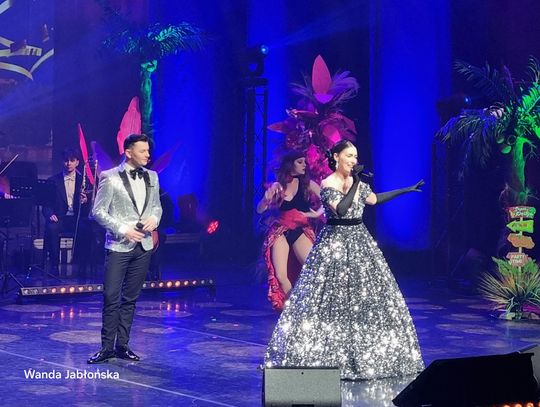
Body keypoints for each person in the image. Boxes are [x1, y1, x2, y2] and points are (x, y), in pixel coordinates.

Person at [264, 139, 425, 380]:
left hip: (359, 240)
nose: (353, 160)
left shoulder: (356, 183)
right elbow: (340, 209)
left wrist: (406, 190)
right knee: (328, 293)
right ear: (336, 157)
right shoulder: (328, 183)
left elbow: (374, 200)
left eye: (355, 156)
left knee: (364, 294)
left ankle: (362, 349)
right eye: (349, 155)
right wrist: (355, 184)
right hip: (334, 241)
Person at [88, 134, 162, 364]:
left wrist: (154, 219)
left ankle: (122, 345)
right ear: (129, 152)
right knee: (111, 297)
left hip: (143, 245)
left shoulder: (152, 176)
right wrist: (123, 229)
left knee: (130, 298)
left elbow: (157, 206)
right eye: (143, 151)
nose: (148, 155)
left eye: (148, 151)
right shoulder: (110, 177)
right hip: (119, 245)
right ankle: (106, 348)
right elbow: (98, 211)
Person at [257, 150, 323, 311]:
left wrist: (316, 213)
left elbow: (329, 200)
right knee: (281, 275)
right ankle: (293, 309)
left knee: (313, 269)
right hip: (281, 230)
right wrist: (265, 200)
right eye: (300, 162)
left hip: (301, 229)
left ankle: (311, 305)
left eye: (305, 162)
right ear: (290, 164)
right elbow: (259, 209)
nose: (304, 165)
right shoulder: (278, 185)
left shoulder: (308, 184)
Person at [42, 149, 90, 274]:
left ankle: (81, 265)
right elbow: (46, 204)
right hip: (60, 218)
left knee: (86, 230)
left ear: (77, 162)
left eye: (72, 160)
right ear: (62, 161)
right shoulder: (53, 180)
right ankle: (54, 265)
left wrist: (85, 201)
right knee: (52, 228)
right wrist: (50, 214)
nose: (69, 163)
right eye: (66, 160)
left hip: (76, 219)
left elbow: (90, 205)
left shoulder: (83, 181)